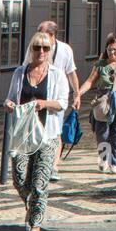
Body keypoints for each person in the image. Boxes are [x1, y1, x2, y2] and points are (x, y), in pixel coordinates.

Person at [5, 31, 70, 231]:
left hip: (47, 135)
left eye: (45, 48)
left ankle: (36, 227)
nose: (41, 52)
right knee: (20, 178)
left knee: (40, 183)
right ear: (31, 49)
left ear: (50, 51)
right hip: (23, 135)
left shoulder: (56, 74)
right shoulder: (20, 72)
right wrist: (9, 105)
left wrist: (45, 104)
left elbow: (63, 103)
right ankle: (32, 205)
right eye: (37, 47)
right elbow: (10, 98)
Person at [80, 33, 116, 174]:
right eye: (109, 49)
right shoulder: (100, 65)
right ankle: (103, 158)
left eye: (115, 49)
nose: (112, 52)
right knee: (102, 133)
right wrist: (79, 93)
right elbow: (90, 81)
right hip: (103, 102)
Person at [35, 21, 80, 182]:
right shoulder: (36, 47)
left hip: (57, 97)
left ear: (52, 35)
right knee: (38, 129)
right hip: (38, 94)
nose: (39, 39)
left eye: (44, 35)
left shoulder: (65, 50)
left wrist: (77, 93)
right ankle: (39, 162)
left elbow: (71, 73)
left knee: (56, 131)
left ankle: (54, 166)